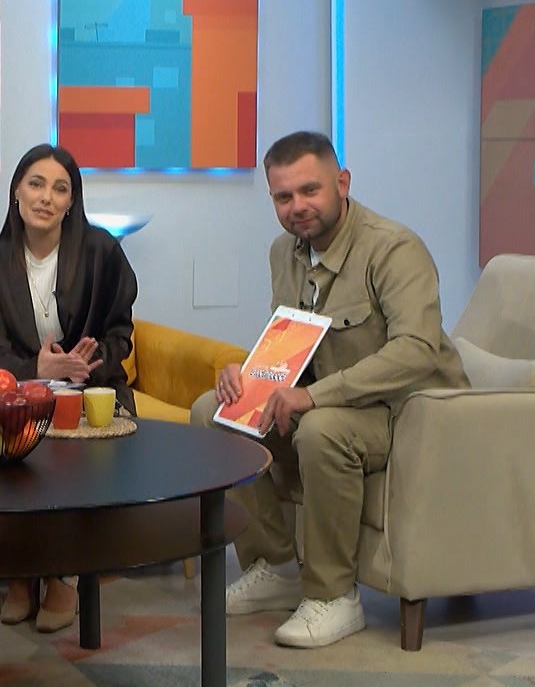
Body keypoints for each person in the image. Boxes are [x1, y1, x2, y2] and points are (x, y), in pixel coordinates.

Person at [190, 131, 468, 649]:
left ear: (342, 183)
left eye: (310, 190)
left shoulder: (394, 248)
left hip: (412, 411)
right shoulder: (283, 251)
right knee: (214, 412)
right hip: (339, 402)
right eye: (283, 196)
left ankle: (334, 595)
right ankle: (277, 566)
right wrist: (248, 375)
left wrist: (315, 396)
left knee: (320, 428)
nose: (297, 206)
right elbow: (291, 342)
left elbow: (417, 351)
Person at [0, 143, 138, 632]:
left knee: (74, 449)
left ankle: (64, 575)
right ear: (17, 192)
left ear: (71, 202)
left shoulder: (102, 252)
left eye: (60, 189)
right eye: (36, 184)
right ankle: (20, 572)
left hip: (92, 389)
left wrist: (87, 363)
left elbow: (120, 333)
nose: (46, 197)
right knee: (3, 442)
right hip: (22, 394)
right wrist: (36, 367)